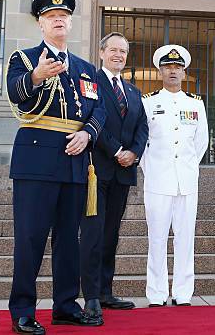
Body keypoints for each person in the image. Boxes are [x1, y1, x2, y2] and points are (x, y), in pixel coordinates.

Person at [6, 0, 105, 334]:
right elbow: (15, 94)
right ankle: (22, 309)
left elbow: (98, 109)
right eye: (50, 17)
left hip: (76, 160)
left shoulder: (85, 68)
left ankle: (65, 305)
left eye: (63, 16)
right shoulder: (26, 58)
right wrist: (36, 77)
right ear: (40, 24)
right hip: (36, 158)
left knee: (68, 240)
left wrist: (88, 134)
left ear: (70, 22)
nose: (58, 20)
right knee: (31, 238)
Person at [79, 32, 148, 322]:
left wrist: (134, 152)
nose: (119, 55)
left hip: (123, 172)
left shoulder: (133, 91)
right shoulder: (90, 82)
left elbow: (143, 125)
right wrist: (117, 149)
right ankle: (91, 296)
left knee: (111, 234)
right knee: (93, 235)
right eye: (114, 50)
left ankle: (106, 291)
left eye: (123, 51)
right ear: (102, 52)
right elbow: (90, 117)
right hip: (97, 169)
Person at [140, 44, 209, 307]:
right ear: (160, 71)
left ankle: (183, 293)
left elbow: (200, 142)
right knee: (156, 238)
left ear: (184, 72)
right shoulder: (148, 103)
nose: (172, 71)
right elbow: (142, 143)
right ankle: (156, 293)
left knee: (185, 238)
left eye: (177, 67)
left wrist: (188, 167)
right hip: (158, 180)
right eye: (167, 67)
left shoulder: (196, 104)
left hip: (187, 181)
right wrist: (153, 170)